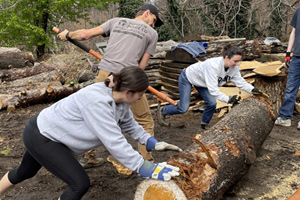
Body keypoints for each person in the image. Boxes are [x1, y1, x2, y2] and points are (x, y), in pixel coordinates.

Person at [0, 67, 182, 200]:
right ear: (128, 92)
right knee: (79, 184)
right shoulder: (97, 102)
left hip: (49, 134)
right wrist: (143, 167)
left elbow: (128, 123)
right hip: (43, 136)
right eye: (141, 94)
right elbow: (114, 141)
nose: (142, 98)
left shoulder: (121, 100)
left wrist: (150, 141)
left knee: (24, 172)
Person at [57, 3, 162, 167]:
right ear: (146, 13)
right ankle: (146, 161)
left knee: (93, 115)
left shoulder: (116, 21)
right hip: (127, 79)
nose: (153, 25)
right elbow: (141, 68)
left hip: (104, 76)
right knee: (144, 120)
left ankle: (87, 157)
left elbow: (85, 35)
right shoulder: (152, 34)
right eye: (154, 20)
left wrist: (68, 33)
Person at [157, 45, 265, 130]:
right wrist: (228, 99)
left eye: (239, 61)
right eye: (235, 61)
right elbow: (213, 89)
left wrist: (252, 90)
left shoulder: (233, 67)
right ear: (226, 58)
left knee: (212, 103)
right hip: (188, 77)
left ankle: (204, 124)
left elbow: (239, 81)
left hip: (203, 82)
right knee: (183, 108)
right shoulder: (213, 66)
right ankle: (163, 110)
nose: (237, 64)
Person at [275, 6, 300, 129]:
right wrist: (288, 52)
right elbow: (293, 32)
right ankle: (285, 117)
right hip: (296, 57)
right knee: (290, 88)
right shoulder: (299, 10)